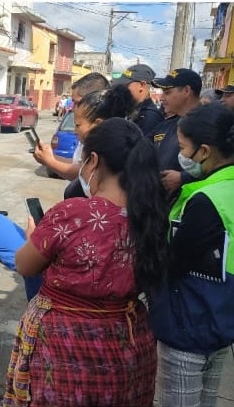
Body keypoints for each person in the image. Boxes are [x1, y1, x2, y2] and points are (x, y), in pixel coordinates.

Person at [4, 118, 170, 406]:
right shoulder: (153, 215)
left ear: (93, 160)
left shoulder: (73, 213)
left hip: (66, 345)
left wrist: (34, 237)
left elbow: (25, 265)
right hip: (128, 342)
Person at [149, 103, 234, 407]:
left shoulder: (205, 200)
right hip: (222, 320)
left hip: (190, 324)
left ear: (205, 151)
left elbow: (173, 262)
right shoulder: (225, 188)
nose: (182, 156)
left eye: (184, 148)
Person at [34, 84, 135, 198]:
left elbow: (78, 171)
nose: (75, 131)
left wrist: (50, 162)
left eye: (78, 125)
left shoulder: (110, 156)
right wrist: (49, 156)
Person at [151, 68, 202, 196]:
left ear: (186, 91)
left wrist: (183, 178)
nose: (162, 98)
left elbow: (223, 167)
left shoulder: (212, 125)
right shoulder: (164, 126)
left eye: (167, 92)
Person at [111, 63, 164, 137]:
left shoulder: (150, 117)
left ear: (141, 85)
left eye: (126, 85)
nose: (122, 89)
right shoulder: (135, 110)